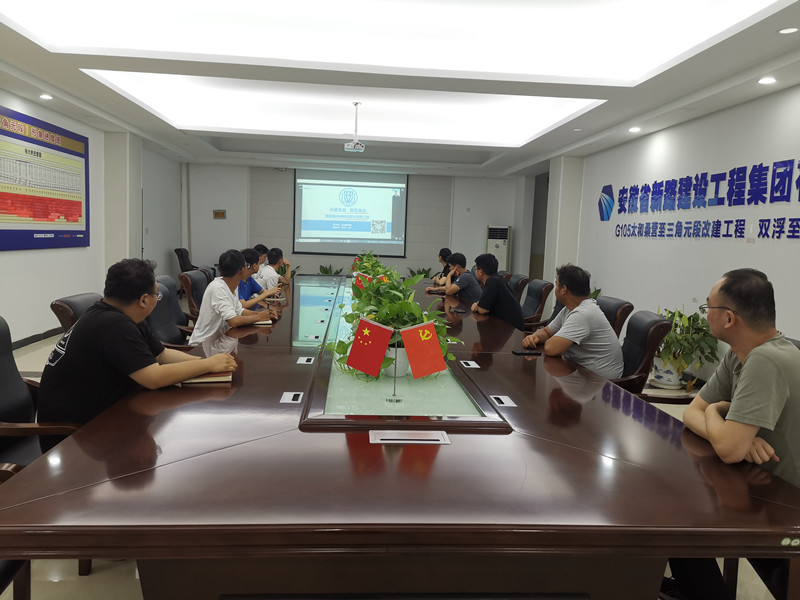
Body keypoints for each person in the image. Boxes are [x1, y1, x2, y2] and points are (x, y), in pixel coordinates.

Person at [664, 268, 800, 600]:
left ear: (728, 318)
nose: (705, 314)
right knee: (678, 515)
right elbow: (691, 413)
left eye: (707, 307)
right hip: (759, 487)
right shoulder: (742, 354)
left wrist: (716, 413)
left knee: (677, 522)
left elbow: (727, 448)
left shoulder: (766, 360)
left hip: (786, 510)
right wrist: (729, 429)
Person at [37, 259, 237, 448]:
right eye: (157, 295)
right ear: (144, 300)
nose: (157, 299)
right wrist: (207, 365)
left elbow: (162, 355)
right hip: (73, 437)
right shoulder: (114, 325)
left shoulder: (122, 315)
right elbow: (153, 378)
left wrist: (209, 363)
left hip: (105, 415)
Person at [522, 264, 623, 379]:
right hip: (581, 371)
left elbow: (551, 348)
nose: (555, 288)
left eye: (557, 284)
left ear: (563, 289)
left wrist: (550, 340)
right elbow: (547, 331)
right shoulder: (570, 308)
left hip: (599, 382)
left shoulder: (583, 314)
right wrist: (535, 337)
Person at [188, 249, 278, 346]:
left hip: (222, 339)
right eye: (246, 265)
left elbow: (239, 310)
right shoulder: (218, 289)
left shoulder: (232, 286)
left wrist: (264, 314)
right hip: (204, 344)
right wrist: (258, 317)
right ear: (242, 270)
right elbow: (233, 321)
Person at [470, 253, 524, 330]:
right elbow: (485, 302)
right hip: (506, 326)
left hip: (511, 329)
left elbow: (482, 310)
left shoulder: (492, 281)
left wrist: (477, 306)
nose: (475, 271)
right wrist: (479, 305)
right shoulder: (497, 279)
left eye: (476, 269)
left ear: (480, 272)